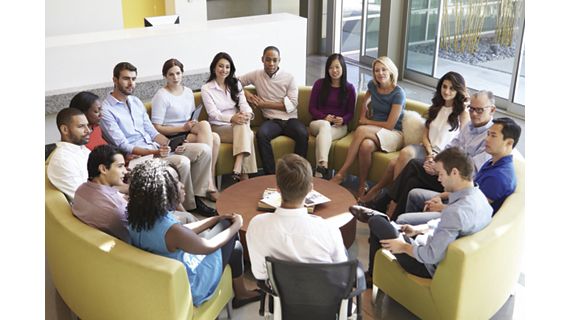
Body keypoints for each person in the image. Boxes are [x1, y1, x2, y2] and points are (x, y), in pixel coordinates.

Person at [126, 159, 261, 308]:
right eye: (176, 182)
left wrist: (214, 219)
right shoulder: (171, 230)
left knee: (235, 247)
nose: (182, 185)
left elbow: (182, 233)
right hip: (192, 285)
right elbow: (208, 246)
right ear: (161, 191)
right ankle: (253, 279)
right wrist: (237, 225)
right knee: (228, 225)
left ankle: (241, 293)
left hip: (167, 276)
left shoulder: (140, 218)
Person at [350, 147, 492, 283]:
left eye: (441, 174)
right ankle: (375, 268)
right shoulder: (480, 198)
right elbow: (449, 227)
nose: (439, 179)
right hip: (433, 246)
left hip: (425, 265)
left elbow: (430, 256)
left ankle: (372, 272)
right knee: (390, 225)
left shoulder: (456, 212)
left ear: (454, 172)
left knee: (376, 223)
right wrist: (419, 229)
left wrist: (403, 247)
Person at [100, 62, 216, 216]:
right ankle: (189, 207)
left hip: (155, 148)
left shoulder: (135, 102)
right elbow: (123, 144)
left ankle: (197, 196)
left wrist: (172, 144)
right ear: (115, 80)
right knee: (182, 161)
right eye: (126, 79)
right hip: (136, 158)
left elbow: (152, 132)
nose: (131, 83)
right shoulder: (106, 109)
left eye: (133, 79)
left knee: (204, 150)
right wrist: (155, 151)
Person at [370, 90, 497, 220]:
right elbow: (451, 148)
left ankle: (382, 202)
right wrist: (436, 162)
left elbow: (471, 171)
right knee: (412, 181)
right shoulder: (469, 126)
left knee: (413, 164)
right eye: (471, 109)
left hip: (456, 183)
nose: (474, 114)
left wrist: (439, 169)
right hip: (445, 172)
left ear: (492, 110)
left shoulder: (491, 137)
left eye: (479, 110)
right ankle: (394, 221)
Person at [359, 71, 469, 203]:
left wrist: (437, 157)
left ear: (458, 90)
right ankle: (385, 197)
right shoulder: (436, 107)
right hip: (426, 149)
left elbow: (463, 142)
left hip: (444, 155)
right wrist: (429, 152)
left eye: (452, 88)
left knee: (394, 164)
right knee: (405, 153)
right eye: (444, 86)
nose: (446, 91)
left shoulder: (462, 113)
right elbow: (425, 134)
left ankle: (386, 198)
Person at [399, 117, 520, 225]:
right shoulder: (492, 162)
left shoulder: (499, 177)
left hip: (461, 217)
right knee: (414, 192)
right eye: (487, 134)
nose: (486, 139)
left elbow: (472, 212)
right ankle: (403, 233)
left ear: (509, 143)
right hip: (458, 201)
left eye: (493, 136)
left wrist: (441, 207)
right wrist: (439, 195)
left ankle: (402, 234)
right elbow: (467, 191)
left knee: (403, 219)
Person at [246, 154, 348, 280]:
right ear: (310, 189)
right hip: (323, 297)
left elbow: (260, 274)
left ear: (277, 188)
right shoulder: (328, 229)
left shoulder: (257, 225)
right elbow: (341, 273)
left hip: (281, 298)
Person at [331, 56, 407, 199]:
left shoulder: (398, 93)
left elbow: (390, 125)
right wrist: (364, 109)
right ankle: (361, 185)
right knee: (365, 146)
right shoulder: (373, 86)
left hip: (394, 134)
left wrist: (366, 122)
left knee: (361, 130)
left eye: (384, 69)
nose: (380, 73)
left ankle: (342, 173)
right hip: (375, 132)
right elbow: (365, 105)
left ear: (390, 71)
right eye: (377, 70)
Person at [151, 58, 220, 200]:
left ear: (182, 73)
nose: (175, 77)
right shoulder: (161, 96)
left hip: (187, 130)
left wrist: (190, 124)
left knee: (209, 130)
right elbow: (156, 127)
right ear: (165, 76)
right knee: (214, 138)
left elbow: (190, 117)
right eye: (171, 74)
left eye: (178, 73)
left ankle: (209, 180)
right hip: (173, 136)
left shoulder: (188, 92)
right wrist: (182, 127)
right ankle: (209, 183)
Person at [239, 46, 308, 174]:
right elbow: (235, 82)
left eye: (274, 60)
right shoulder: (256, 75)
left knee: (303, 134)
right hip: (272, 121)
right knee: (261, 134)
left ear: (279, 60)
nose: (271, 63)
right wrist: (246, 94)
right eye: (268, 60)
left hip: (290, 119)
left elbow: (292, 104)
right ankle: (270, 175)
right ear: (262, 59)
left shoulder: (289, 78)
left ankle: (299, 172)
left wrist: (265, 104)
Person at [201, 52, 257, 182]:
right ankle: (242, 174)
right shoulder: (207, 88)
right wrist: (231, 118)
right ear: (214, 68)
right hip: (218, 126)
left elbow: (244, 104)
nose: (224, 70)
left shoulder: (235, 84)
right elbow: (212, 113)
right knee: (249, 134)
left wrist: (248, 114)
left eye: (227, 67)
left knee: (243, 124)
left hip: (237, 124)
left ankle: (239, 171)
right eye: (221, 66)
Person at [308, 53, 356, 179]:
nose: (334, 71)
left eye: (337, 67)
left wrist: (343, 119)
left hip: (339, 127)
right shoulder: (319, 84)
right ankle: (324, 165)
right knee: (324, 126)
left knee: (322, 138)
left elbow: (351, 113)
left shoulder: (349, 88)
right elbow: (311, 108)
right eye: (331, 68)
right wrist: (324, 117)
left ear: (343, 68)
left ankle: (320, 172)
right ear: (327, 69)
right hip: (318, 123)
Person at [72, 145, 130, 243]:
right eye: (120, 166)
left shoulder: (80, 191)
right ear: (103, 169)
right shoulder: (117, 210)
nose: (125, 171)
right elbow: (135, 240)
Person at [47, 107, 91, 201]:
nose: (88, 130)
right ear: (65, 130)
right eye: (81, 126)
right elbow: (84, 198)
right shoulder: (62, 160)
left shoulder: (82, 149)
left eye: (87, 125)